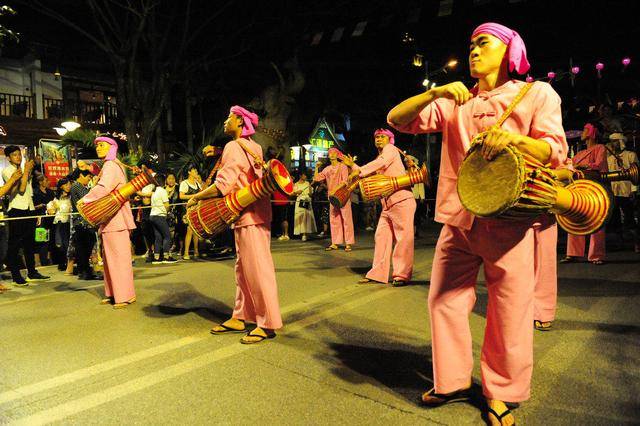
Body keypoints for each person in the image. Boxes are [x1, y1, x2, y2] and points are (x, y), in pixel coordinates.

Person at [387, 22, 568, 425]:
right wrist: (434, 92)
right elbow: (397, 119)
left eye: (482, 43)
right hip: (458, 218)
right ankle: (451, 381)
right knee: (443, 299)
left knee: (509, 308)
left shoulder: (537, 93)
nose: (473, 50)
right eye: (470, 44)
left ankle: (501, 391)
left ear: (509, 51)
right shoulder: (455, 101)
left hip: (509, 220)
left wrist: (518, 141)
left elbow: (555, 150)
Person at [188, 105, 281, 344]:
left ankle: (267, 322)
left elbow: (223, 185)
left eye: (229, 118)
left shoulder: (234, 146)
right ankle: (241, 315)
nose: (225, 122)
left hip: (249, 214)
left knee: (257, 269)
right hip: (252, 213)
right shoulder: (254, 147)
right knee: (243, 269)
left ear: (240, 121)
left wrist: (197, 197)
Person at [345, 129, 416, 286]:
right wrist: (353, 166)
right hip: (388, 204)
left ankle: (401, 275)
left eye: (382, 136)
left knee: (403, 239)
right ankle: (378, 273)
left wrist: (359, 170)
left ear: (390, 139)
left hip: (401, 200)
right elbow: (373, 172)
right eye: (376, 137)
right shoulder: (381, 157)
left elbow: (379, 164)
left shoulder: (390, 150)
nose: (378, 139)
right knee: (381, 237)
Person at [81, 136, 136, 308]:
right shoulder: (112, 165)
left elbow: (104, 188)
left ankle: (125, 296)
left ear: (112, 147)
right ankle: (113, 293)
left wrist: (86, 199)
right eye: (97, 146)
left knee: (118, 259)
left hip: (116, 219)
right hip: (111, 219)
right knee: (111, 259)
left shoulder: (111, 165)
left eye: (102, 145)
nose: (98, 148)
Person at [1, 146, 50, 285]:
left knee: (30, 243)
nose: (18, 157)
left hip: (29, 208)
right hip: (17, 209)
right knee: (15, 245)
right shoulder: (8, 170)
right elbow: (21, 189)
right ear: (8, 158)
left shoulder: (22, 169)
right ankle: (16, 276)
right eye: (14, 155)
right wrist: (27, 170)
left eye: (19, 154)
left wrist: (29, 168)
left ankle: (32, 272)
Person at [561, 123, 608, 265]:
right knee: (574, 218)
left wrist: (582, 166)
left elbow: (600, 165)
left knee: (597, 219)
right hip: (580, 189)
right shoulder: (580, 153)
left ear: (593, 132)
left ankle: (596, 255)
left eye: (585, 129)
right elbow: (571, 166)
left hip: (594, 188)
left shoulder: (600, 148)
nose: (582, 132)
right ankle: (573, 253)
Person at [313, 148, 356, 251]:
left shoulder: (343, 167)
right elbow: (317, 178)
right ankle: (335, 242)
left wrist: (334, 190)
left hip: (343, 196)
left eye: (334, 153)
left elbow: (345, 182)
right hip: (332, 197)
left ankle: (348, 243)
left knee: (346, 219)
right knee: (334, 220)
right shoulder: (327, 169)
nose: (332, 155)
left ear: (337, 155)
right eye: (330, 153)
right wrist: (316, 167)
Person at [606, 132, 639, 251]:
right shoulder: (609, 158)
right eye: (611, 141)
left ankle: (637, 242)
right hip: (614, 192)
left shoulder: (631, 155)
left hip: (627, 191)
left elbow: (636, 174)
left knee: (629, 218)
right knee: (615, 219)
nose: (612, 143)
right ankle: (620, 243)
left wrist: (634, 190)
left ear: (620, 142)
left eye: (614, 141)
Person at [69, 168, 101, 280]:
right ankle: (84, 272)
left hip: (85, 222)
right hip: (81, 222)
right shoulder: (76, 186)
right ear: (81, 175)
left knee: (86, 247)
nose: (89, 180)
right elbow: (87, 198)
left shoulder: (80, 186)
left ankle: (85, 271)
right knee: (83, 248)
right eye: (88, 177)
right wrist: (95, 185)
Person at [0, 167, 24, 292]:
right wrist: (12, 179)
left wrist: (17, 180)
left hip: (2, 221)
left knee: (2, 251)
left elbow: (7, 192)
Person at [150, 174, 178, 263]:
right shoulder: (162, 191)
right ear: (164, 181)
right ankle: (166, 257)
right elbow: (166, 205)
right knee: (167, 236)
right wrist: (168, 213)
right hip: (160, 216)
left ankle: (157, 258)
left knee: (158, 237)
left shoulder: (154, 191)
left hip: (153, 216)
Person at [46, 178, 73, 272]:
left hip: (68, 222)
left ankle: (68, 264)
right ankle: (61, 262)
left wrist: (59, 207)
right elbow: (51, 207)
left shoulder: (71, 196)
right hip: (58, 222)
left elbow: (69, 208)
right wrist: (51, 208)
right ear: (61, 186)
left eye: (69, 184)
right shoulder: (57, 197)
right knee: (59, 244)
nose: (69, 186)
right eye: (66, 184)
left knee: (67, 243)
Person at [32, 173, 55, 266]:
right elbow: (32, 206)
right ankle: (41, 261)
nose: (48, 182)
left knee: (51, 240)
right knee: (41, 241)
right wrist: (40, 206)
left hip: (50, 218)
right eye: (46, 180)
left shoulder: (50, 192)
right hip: (40, 219)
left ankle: (50, 259)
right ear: (40, 182)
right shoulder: (35, 192)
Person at [179, 166, 202, 259]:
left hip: (196, 209)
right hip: (188, 209)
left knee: (196, 231)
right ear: (189, 172)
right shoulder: (184, 183)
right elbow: (181, 196)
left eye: (196, 170)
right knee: (189, 230)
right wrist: (194, 196)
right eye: (194, 170)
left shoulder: (197, 184)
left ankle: (196, 251)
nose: (196, 171)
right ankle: (186, 253)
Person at [292, 170, 316, 241]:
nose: (305, 177)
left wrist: (310, 186)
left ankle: (305, 234)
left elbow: (311, 194)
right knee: (300, 216)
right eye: (304, 175)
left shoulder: (307, 183)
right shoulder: (296, 184)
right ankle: (300, 232)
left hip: (306, 201)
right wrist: (297, 192)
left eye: (306, 175)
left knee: (306, 217)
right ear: (300, 176)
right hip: (299, 201)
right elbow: (293, 193)